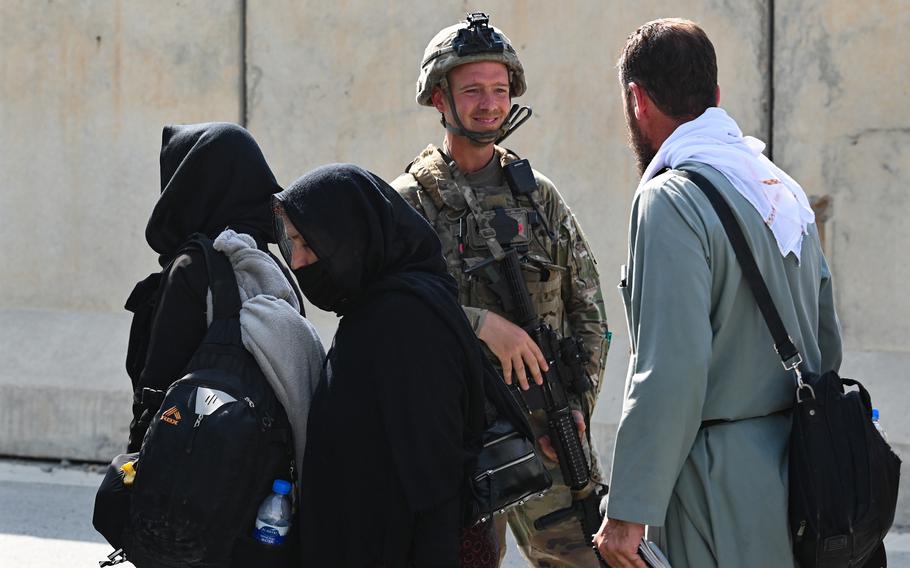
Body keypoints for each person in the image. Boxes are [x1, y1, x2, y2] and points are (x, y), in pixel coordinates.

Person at [595, 18, 842, 568]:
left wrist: (629, 508)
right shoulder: (777, 185)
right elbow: (826, 336)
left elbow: (671, 368)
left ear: (637, 100)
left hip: (712, 481)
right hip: (798, 473)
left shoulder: (672, 198)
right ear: (715, 96)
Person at [390, 12, 609, 567]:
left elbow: (588, 309)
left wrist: (577, 405)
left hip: (547, 432)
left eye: (499, 89)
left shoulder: (539, 198)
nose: (489, 103)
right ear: (440, 99)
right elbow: (388, 314)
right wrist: (482, 325)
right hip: (454, 437)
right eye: (472, 91)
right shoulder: (408, 203)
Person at [275, 163, 496, 567]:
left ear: (353, 233)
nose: (301, 261)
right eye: (293, 245)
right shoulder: (378, 310)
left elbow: (432, 483)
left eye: (311, 243)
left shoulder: (402, 322)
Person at [126, 122, 311, 452]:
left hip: (192, 469)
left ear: (192, 185)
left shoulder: (194, 267)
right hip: (262, 470)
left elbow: (156, 389)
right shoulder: (269, 265)